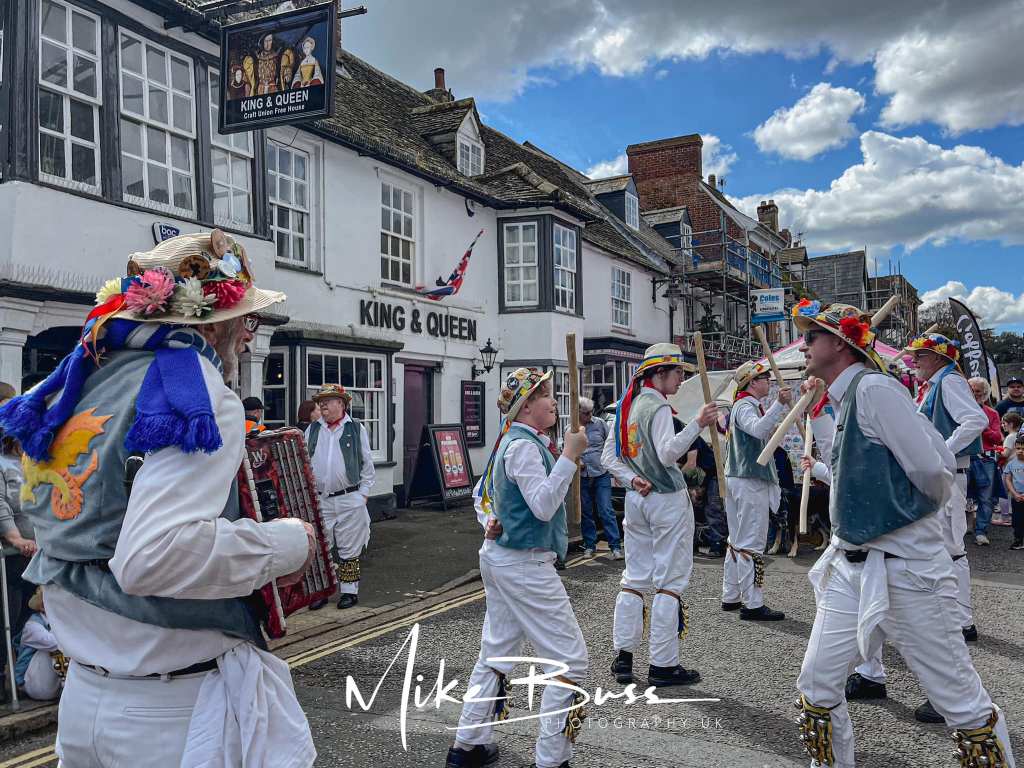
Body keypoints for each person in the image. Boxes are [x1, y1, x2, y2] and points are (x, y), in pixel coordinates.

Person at [0, 230, 317, 766]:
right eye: (246, 320)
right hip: (168, 714)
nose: (247, 336)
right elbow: (152, 558)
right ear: (214, 321)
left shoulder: (78, 382)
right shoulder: (191, 394)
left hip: (83, 702)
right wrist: (289, 544)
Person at [792, 302, 1015, 768]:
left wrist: (902, 523)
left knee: (960, 700)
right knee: (816, 685)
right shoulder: (845, 397)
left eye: (812, 337)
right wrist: (815, 413)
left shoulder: (876, 389)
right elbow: (847, 470)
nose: (804, 346)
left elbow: (934, 473)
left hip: (906, 570)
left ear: (838, 344)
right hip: (850, 566)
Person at [446, 368, 588, 768]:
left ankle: (468, 746)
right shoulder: (522, 446)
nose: (554, 400)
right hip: (524, 562)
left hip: (501, 557)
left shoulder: (510, 442)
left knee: (497, 652)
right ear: (527, 407)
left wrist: (490, 519)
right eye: (546, 395)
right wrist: (569, 457)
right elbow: (543, 505)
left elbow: (482, 494)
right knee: (569, 660)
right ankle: (550, 760)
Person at [602, 343, 718, 688]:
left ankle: (623, 659)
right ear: (658, 374)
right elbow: (668, 455)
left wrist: (630, 478)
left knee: (634, 577)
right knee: (669, 582)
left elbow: (609, 458)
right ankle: (663, 665)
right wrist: (697, 423)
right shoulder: (660, 409)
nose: (682, 378)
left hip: (638, 499)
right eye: (678, 371)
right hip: (666, 499)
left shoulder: (629, 407)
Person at [904, 333, 987, 646]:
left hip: (951, 475)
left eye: (920, 355)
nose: (914, 361)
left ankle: (963, 622)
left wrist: (942, 451)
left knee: (953, 550)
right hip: (944, 475)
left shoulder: (949, 381)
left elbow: (975, 420)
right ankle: (951, 617)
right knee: (943, 548)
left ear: (938, 357)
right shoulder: (939, 383)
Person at [721, 360, 792, 621]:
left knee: (737, 540)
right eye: (765, 379)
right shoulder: (745, 406)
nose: (769, 383)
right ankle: (752, 604)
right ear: (752, 383)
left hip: (739, 478)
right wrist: (779, 405)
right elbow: (758, 429)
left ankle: (731, 595)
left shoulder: (741, 406)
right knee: (751, 542)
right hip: (748, 480)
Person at [305, 383, 375, 610]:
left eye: (328, 400)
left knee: (349, 548)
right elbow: (305, 462)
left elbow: (367, 465)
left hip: (349, 498)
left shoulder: (356, 428)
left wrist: (363, 494)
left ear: (341, 404)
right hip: (321, 499)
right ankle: (322, 591)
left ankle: (349, 591)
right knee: (320, 548)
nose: (323, 404)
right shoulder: (313, 429)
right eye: (321, 401)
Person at [0, 431, 36, 703]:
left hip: (39, 553)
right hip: (13, 554)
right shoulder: (2, 465)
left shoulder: (35, 461)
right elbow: (1, 505)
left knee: (34, 617)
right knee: (9, 619)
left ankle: (29, 677)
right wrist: (15, 537)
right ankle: (4, 679)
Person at [577, 396, 621, 559]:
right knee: (587, 512)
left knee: (605, 509)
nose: (589, 416)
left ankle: (615, 546)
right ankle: (589, 545)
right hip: (582, 476)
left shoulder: (600, 424)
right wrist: (577, 460)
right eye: (585, 413)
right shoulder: (571, 428)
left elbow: (611, 445)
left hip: (601, 473)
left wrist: (615, 469)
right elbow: (566, 448)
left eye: (590, 412)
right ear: (578, 413)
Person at [967, 377, 1002, 546]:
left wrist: (982, 426)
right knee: (958, 496)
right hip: (963, 458)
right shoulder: (956, 410)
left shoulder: (992, 413)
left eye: (978, 392)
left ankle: (981, 531)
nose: (974, 394)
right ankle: (958, 530)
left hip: (985, 458)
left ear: (985, 394)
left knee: (986, 498)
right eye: (971, 390)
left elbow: (997, 438)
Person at [14, 587, 64, 701]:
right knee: (57, 645)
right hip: (35, 685)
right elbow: (55, 643)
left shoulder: (58, 623)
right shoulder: (32, 625)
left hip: (53, 684)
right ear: (42, 606)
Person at [1003, 436, 1024, 550]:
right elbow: (1008, 479)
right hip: (1017, 496)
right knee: (1017, 520)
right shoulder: (1011, 463)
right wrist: (1014, 493)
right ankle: (1018, 540)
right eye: (1018, 448)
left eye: (1023, 449)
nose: (1020, 451)